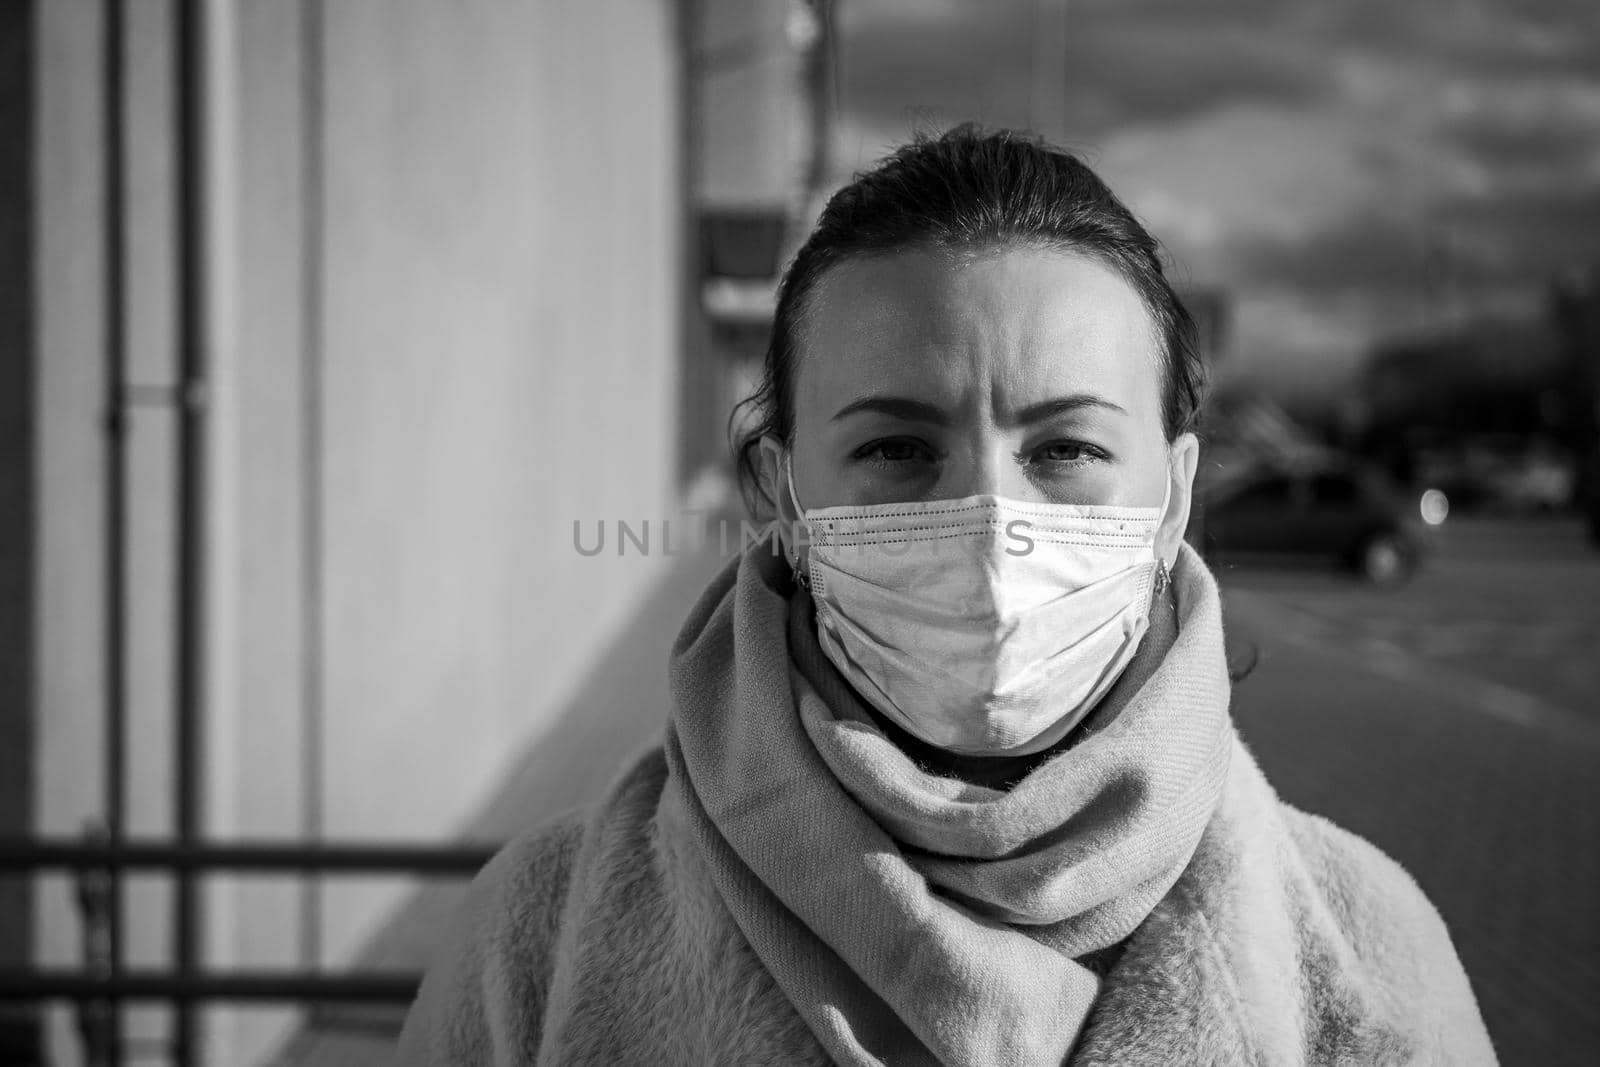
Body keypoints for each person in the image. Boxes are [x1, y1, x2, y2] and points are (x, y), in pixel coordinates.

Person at [396, 126, 1494, 1065]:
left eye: (1064, 446)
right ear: (785, 493)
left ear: (1173, 497)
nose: (987, 522)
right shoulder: (538, 933)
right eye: (894, 445)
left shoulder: (1365, 948)